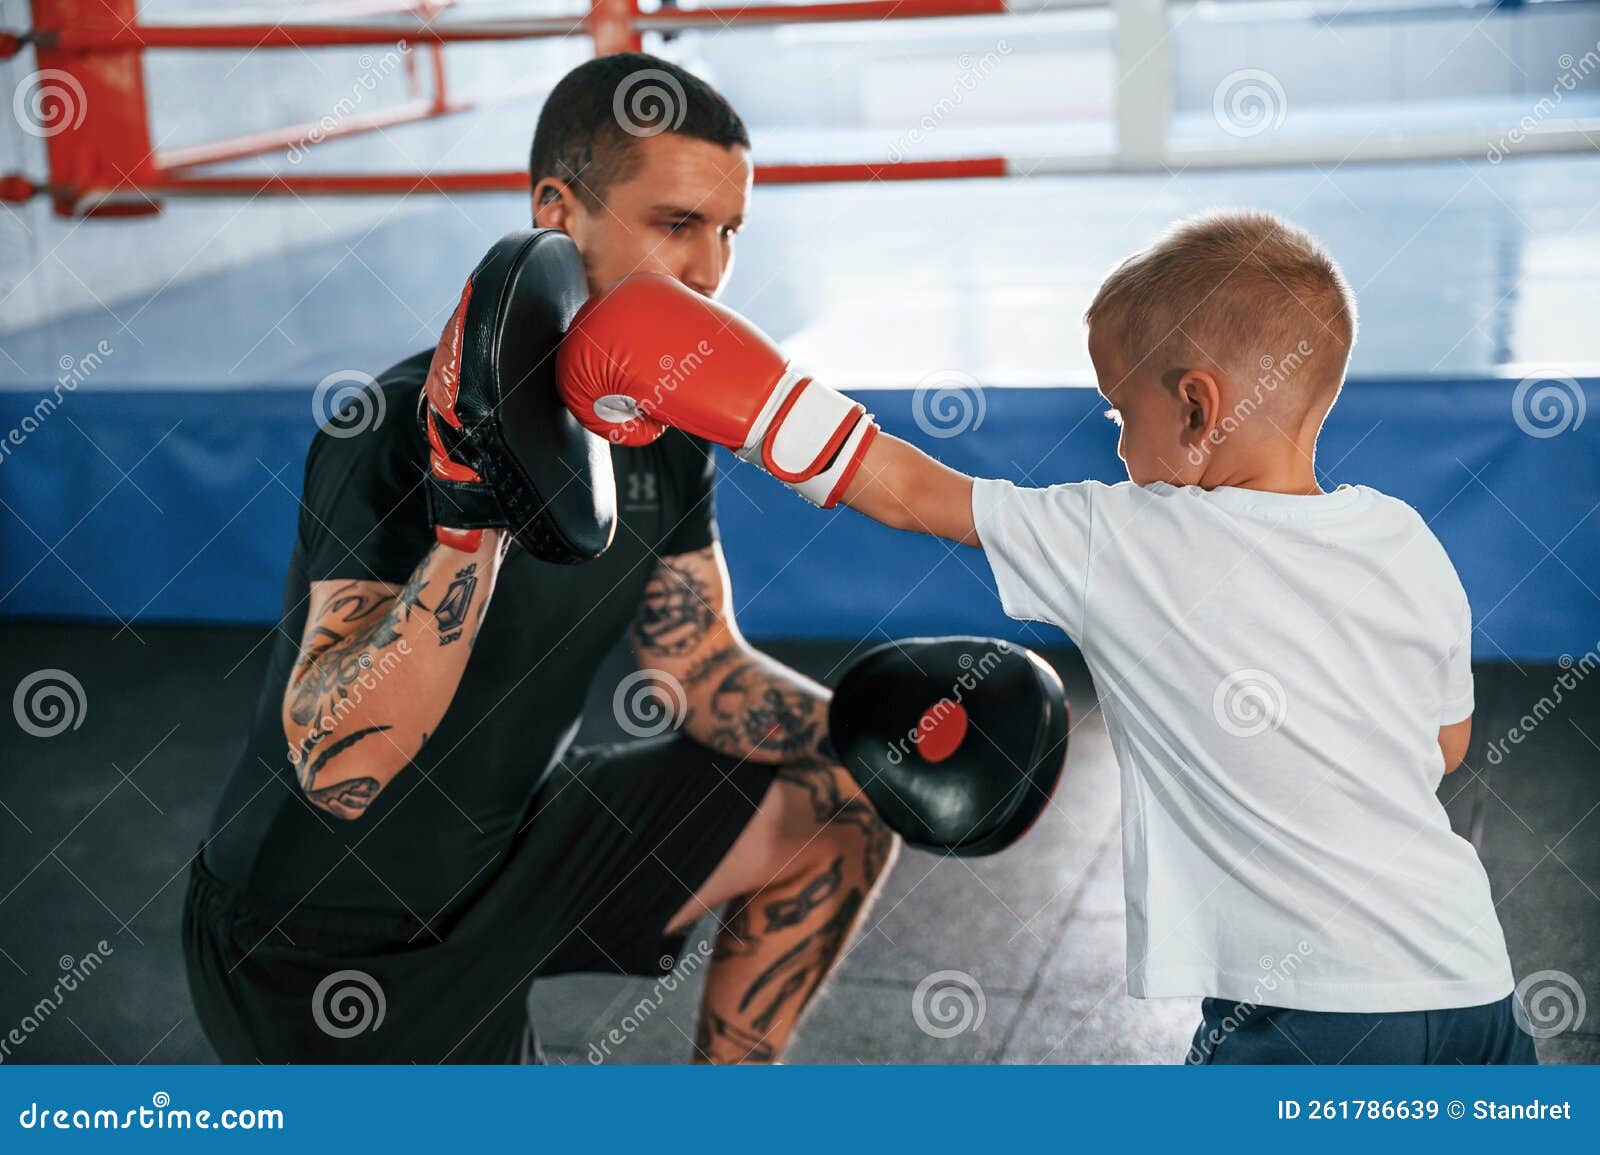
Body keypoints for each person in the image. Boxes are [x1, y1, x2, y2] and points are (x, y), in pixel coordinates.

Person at [556, 210, 1536, 1064]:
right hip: (1467, 978)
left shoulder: (1128, 536)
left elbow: (900, 489)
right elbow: (1442, 747)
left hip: (1313, 1013)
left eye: (1120, 409)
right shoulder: (1401, 538)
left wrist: (729, 384)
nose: (1114, 440)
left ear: (1194, 405)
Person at [182, 53, 897, 1065]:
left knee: (842, 802)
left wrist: (885, 739)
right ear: (556, 212)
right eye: (677, 224)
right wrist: (470, 527)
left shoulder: (668, 430)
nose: (709, 272)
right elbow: (343, 774)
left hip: (509, 856)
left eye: (730, 231)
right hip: (321, 930)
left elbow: (696, 671)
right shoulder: (387, 429)